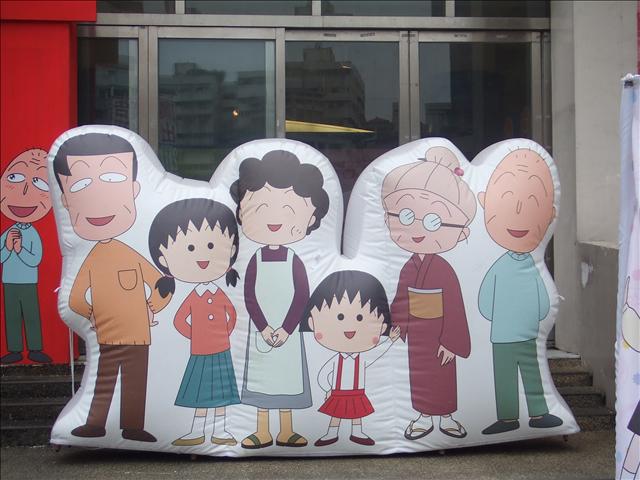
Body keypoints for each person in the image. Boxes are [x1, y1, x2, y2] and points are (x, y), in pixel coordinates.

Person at [54, 132, 171, 442]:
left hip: (138, 333)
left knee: (135, 381)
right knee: (105, 378)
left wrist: (153, 306)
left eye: (112, 178)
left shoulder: (129, 254)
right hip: (108, 334)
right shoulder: (93, 257)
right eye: (80, 185)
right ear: (66, 200)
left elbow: (161, 282)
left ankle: (133, 426)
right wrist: (91, 314)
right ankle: (96, 424)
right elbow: (75, 296)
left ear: (134, 191)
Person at [229, 149, 329, 449]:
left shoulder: (294, 260)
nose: (274, 219)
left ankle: (286, 430)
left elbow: (301, 295)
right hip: (262, 329)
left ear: (311, 217)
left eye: (288, 209)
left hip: (288, 331)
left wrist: (286, 328)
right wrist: (263, 327)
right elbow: (250, 296)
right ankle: (262, 430)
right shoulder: (256, 259)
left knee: (287, 378)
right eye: (261, 208)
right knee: (262, 379)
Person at [382, 146, 474, 440]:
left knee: (443, 374)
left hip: (440, 331)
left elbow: (455, 307)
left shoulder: (444, 270)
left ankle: (446, 417)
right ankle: (422, 416)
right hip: (417, 333)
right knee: (419, 374)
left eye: (434, 220)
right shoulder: (409, 267)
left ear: (460, 231)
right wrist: (397, 325)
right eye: (406, 215)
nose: (419, 228)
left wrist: (451, 342)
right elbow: (401, 298)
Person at [478, 147, 563, 434]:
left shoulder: (524, 265)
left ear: (550, 214)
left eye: (531, 203)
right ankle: (508, 417)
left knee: (530, 371)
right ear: (485, 202)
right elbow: (486, 301)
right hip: (505, 333)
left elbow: (488, 303)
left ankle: (537, 414)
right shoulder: (500, 266)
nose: (517, 212)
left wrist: (534, 315)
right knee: (507, 375)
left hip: (516, 331)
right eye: (507, 200)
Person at [148, 198, 241, 447]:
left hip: (221, 349)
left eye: (211, 245)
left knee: (222, 391)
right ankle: (196, 431)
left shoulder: (218, 293)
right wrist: (196, 334)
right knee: (199, 392)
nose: (202, 256)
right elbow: (179, 320)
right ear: (164, 259)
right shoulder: (193, 296)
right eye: (190, 248)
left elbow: (232, 314)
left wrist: (225, 332)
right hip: (200, 350)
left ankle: (221, 430)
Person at [302, 270, 401, 447]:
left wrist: (390, 341)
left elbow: (378, 353)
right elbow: (323, 375)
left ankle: (357, 432)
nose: (349, 327)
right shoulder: (337, 359)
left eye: (360, 318)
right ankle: (331, 433)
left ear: (382, 327)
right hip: (338, 392)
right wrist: (327, 389)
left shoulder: (362, 358)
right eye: (340, 317)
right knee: (336, 414)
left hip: (357, 392)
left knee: (357, 414)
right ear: (312, 323)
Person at [1, 148, 52, 364]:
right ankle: (14, 349)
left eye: (40, 183)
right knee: (11, 315)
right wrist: (8, 247)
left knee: (31, 314)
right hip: (9, 281)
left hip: (29, 281)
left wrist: (20, 249)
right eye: (14, 177)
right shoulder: (8, 232)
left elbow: (35, 259)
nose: (24, 191)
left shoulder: (32, 233)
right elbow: (1, 257)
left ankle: (35, 348)